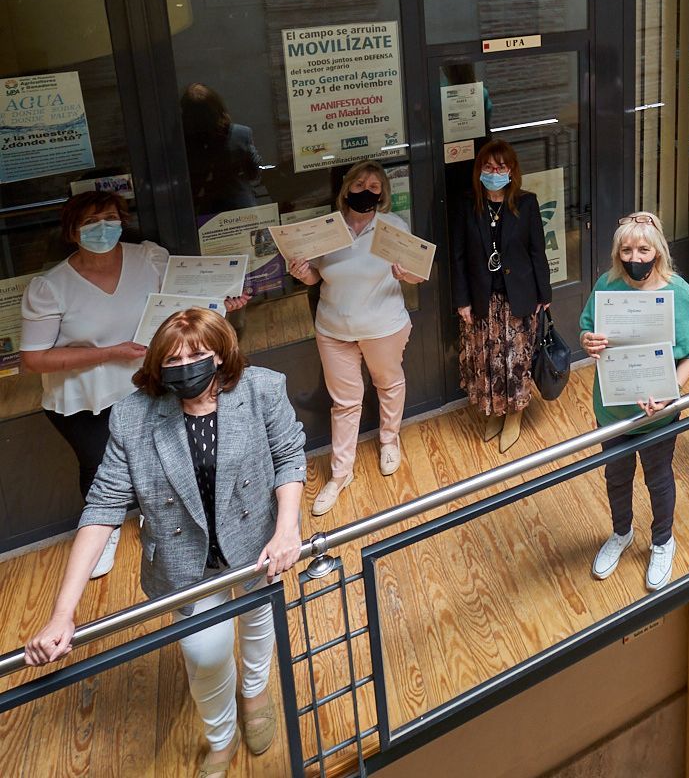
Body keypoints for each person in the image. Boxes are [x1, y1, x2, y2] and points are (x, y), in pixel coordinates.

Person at [25, 308, 306, 777]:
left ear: (220, 355)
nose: (185, 366)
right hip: (183, 563)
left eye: (197, 354)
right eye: (172, 359)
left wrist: (287, 527)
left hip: (257, 545)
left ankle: (256, 695)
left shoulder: (262, 389)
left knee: (259, 619)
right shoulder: (132, 417)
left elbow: (289, 453)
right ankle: (221, 734)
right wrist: (62, 612)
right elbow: (102, 508)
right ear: (157, 366)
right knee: (204, 652)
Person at [20, 192, 248, 578]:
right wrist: (109, 353)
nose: (102, 228)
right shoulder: (50, 287)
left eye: (109, 218)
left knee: (160, 457)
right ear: (72, 231)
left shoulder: (148, 257)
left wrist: (221, 304)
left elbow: (181, 305)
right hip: (84, 396)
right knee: (98, 466)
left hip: (144, 383)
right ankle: (104, 531)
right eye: (90, 222)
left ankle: (156, 517)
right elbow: (33, 358)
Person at [287, 160, 425, 516]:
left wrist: (407, 273)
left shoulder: (393, 228)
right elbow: (315, 277)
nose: (367, 190)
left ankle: (389, 440)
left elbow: (415, 277)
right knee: (345, 402)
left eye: (375, 187)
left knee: (388, 383)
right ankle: (340, 473)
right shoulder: (326, 231)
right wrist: (302, 273)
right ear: (346, 188)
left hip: (383, 325)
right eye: (360, 184)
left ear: (383, 195)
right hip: (334, 329)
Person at [579, 212, 689, 593]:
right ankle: (621, 533)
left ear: (658, 251)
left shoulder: (678, 292)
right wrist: (587, 341)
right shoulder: (606, 285)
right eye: (627, 249)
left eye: (643, 249)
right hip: (613, 408)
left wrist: (673, 391)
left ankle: (663, 540)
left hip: (658, 413)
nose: (636, 258)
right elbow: (587, 328)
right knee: (615, 476)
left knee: (658, 478)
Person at [450, 139, 552, 451]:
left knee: (515, 361)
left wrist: (544, 294)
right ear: (479, 170)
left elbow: (538, 252)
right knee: (488, 362)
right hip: (483, 300)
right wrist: (462, 300)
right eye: (489, 167)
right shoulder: (467, 206)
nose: (495, 172)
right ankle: (494, 410)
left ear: (512, 171)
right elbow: (458, 257)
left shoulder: (527, 203)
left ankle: (515, 414)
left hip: (518, 298)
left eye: (501, 167)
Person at [180, 83, 265, 212]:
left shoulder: (182, 144)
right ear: (216, 107)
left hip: (202, 210)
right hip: (240, 206)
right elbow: (254, 173)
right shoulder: (240, 134)